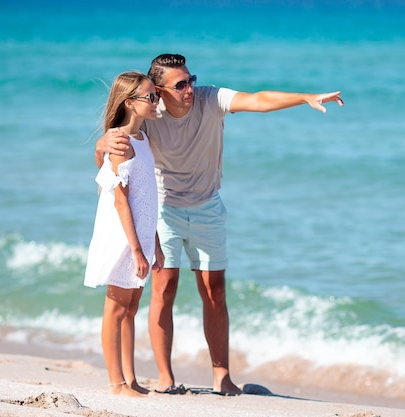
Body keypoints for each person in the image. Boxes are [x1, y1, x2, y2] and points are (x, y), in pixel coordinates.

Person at [96, 54, 343, 396]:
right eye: (180, 85)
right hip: (163, 208)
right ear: (159, 91)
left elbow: (256, 100)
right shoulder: (149, 111)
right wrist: (100, 143)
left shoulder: (210, 99)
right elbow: (115, 153)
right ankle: (165, 379)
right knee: (163, 290)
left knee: (215, 292)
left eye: (191, 79)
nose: (190, 88)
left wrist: (304, 98)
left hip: (207, 207)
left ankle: (221, 376)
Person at [84, 71, 164, 397]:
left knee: (131, 309)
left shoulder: (143, 139)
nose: (156, 101)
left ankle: (131, 380)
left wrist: (153, 240)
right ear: (130, 102)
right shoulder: (120, 142)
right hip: (123, 240)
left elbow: (146, 195)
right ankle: (116, 383)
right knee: (115, 310)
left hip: (142, 236)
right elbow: (119, 200)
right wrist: (135, 250)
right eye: (150, 97)